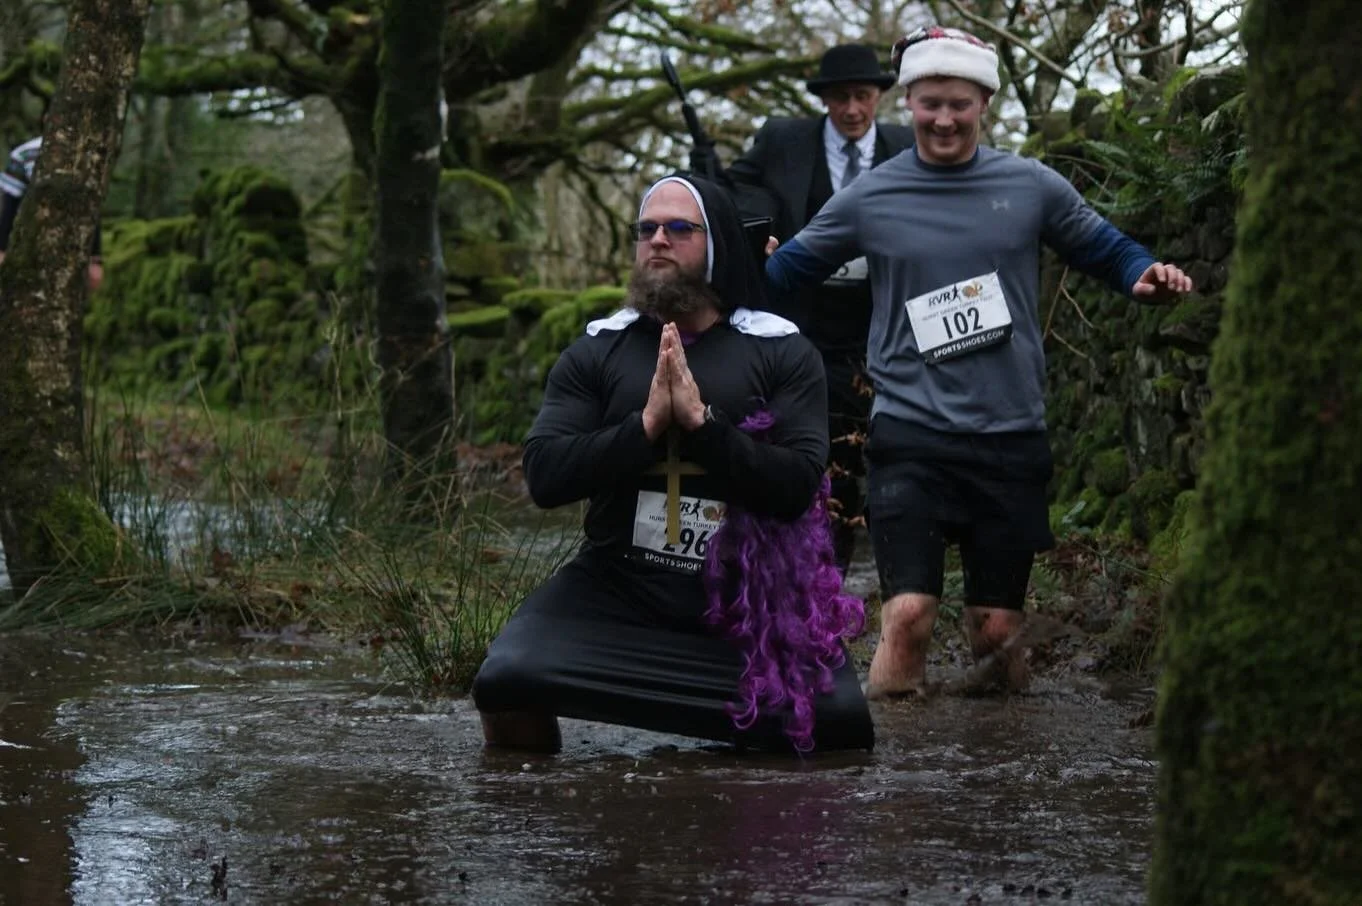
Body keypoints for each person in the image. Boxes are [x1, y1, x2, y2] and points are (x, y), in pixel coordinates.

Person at [764, 25, 1195, 698]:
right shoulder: (873, 195)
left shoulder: (1029, 185)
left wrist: (1143, 275)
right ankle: (887, 762)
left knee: (995, 634)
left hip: (1008, 433)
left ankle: (1003, 756)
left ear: (984, 104)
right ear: (909, 102)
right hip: (909, 431)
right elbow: (786, 272)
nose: (944, 119)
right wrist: (744, 265)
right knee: (908, 618)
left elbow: (1105, 248)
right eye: (930, 103)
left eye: (959, 104)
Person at [470, 173, 873, 754]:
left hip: (745, 604)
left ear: (718, 244)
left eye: (679, 228)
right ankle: (541, 805)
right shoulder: (598, 348)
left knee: (842, 732)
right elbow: (546, 475)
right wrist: (644, 428)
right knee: (505, 681)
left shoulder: (781, 349)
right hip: (618, 589)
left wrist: (704, 429)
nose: (658, 239)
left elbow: (794, 485)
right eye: (647, 228)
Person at [707, 44, 916, 576]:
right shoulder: (783, 140)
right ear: (824, 100)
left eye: (862, 96)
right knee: (807, 440)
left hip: (878, 322)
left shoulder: (907, 146)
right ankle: (799, 569)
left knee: (874, 443)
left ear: (879, 96)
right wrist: (758, 219)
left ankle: (863, 567)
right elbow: (735, 187)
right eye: (841, 97)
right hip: (801, 321)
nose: (852, 109)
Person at [0, 135, 104, 291]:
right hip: (27, 245)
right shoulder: (25, 154)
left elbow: (91, 207)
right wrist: (2, 249)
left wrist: (95, 259)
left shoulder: (86, 153)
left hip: (70, 250)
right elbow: (9, 205)